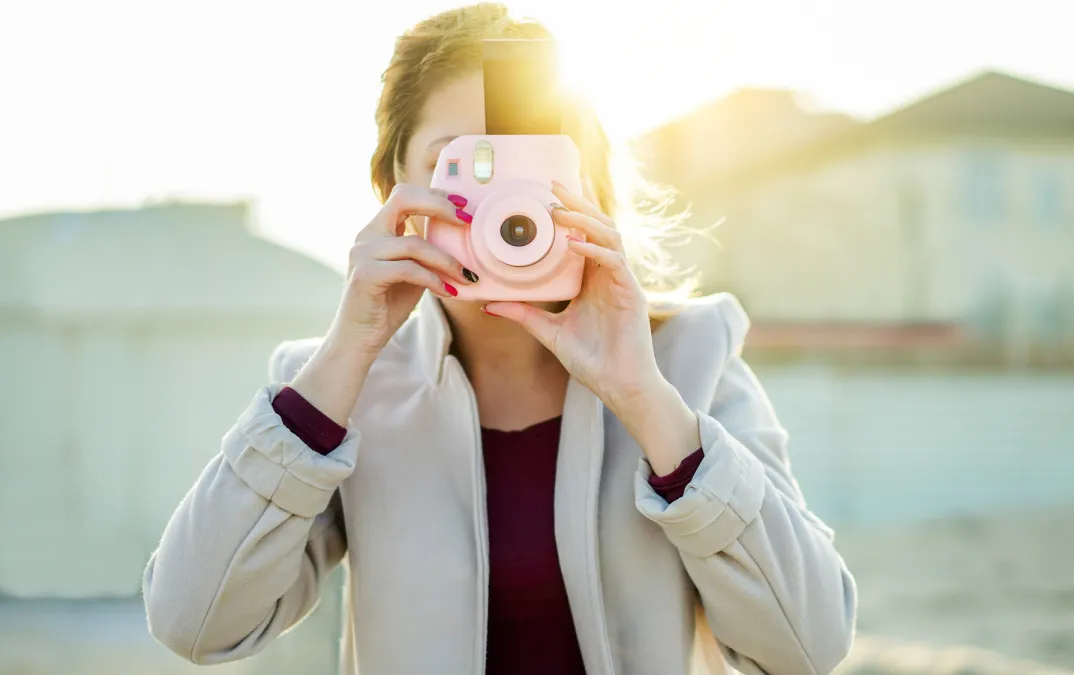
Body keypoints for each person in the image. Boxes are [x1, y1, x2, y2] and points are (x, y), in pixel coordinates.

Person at [141, 4, 857, 674]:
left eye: (534, 167)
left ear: (588, 185)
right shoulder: (335, 390)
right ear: (393, 187)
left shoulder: (690, 360)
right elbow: (194, 621)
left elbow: (808, 643)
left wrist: (647, 403)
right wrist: (342, 360)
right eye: (465, 166)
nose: (504, 207)